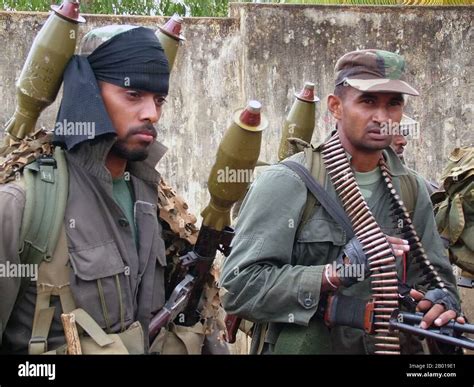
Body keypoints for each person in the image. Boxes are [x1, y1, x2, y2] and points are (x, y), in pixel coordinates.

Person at [220, 49, 464, 354]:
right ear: (336, 106)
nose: (382, 117)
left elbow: (436, 277)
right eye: (368, 101)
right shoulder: (288, 181)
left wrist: (441, 301)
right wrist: (334, 273)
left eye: (394, 104)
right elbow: (240, 288)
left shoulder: (412, 189)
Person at [0, 25, 179, 354]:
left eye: (159, 99)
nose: (151, 113)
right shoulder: (24, 205)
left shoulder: (155, 202)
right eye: (133, 95)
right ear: (89, 94)